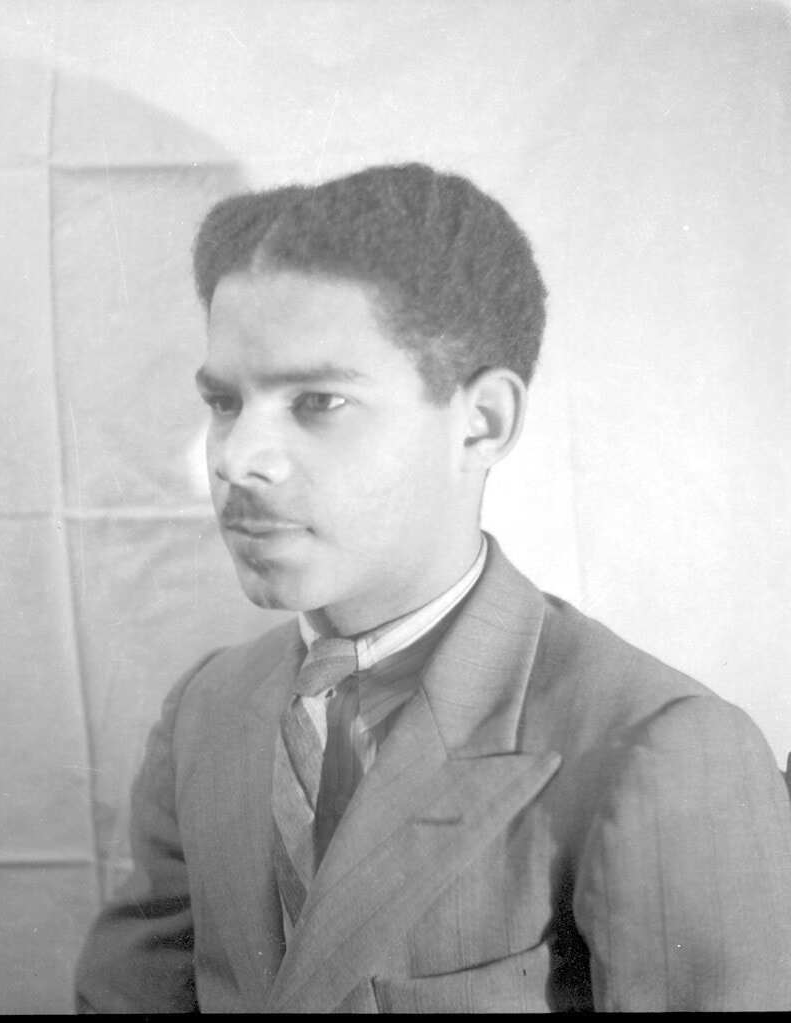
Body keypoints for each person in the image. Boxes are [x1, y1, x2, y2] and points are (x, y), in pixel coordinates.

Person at [74, 163, 791, 1012]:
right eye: (226, 402)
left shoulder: (655, 745)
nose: (236, 458)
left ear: (481, 422)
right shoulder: (207, 707)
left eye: (317, 401)